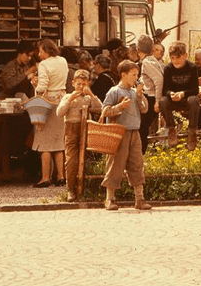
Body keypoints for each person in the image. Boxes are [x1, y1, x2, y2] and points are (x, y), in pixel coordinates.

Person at [100, 60, 151, 211]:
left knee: (136, 164)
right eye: (133, 75)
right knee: (115, 165)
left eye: (137, 75)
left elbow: (144, 109)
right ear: (124, 75)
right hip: (118, 132)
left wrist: (140, 95)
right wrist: (119, 107)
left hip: (134, 132)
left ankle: (139, 199)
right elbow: (105, 111)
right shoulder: (114, 91)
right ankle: (110, 199)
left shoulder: (135, 92)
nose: (136, 78)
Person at [0, 41, 36, 182]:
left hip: (21, 106)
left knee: (10, 141)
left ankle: (7, 173)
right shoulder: (10, 67)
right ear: (20, 53)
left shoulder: (27, 65)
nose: (30, 59)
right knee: (0, 140)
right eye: (28, 55)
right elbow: (10, 85)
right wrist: (27, 74)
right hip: (6, 107)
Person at [56, 68, 102, 202]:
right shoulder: (67, 97)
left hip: (85, 128)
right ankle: (71, 188)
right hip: (71, 128)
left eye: (84, 84)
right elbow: (59, 113)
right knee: (71, 159)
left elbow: (100, 108)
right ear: (73, 83)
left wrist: (92, 95)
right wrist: (70, 98)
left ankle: (86, 186)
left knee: (87, 157)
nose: (81, 87)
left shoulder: (88, 98)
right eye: (78, 84)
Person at [32, 38, 69, 187]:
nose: (39, 55)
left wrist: (34, 82)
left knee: (45, 143)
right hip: (61, 100)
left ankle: (45, 177)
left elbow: (42, 87)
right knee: (58, 142)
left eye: (41, 51)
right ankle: (61, 176)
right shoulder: (63, 61)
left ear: (47, 50)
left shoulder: (44, 65)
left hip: (47, 103)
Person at [158, 41, 201, 150]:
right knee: (163, 101)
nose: (175, 61)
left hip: (186, 98)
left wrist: (183, 94)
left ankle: (192, 132)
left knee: (194, 100)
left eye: (178, 57)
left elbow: (195, 90)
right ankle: (171, 129)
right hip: (173, 99)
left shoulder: (192, 67)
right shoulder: (168, 68)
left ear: (185, 56)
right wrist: (171, 93)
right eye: (172, 58)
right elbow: (165, 90)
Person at [136, 35, 164, 153]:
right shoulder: (153, 60)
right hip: (150, 96)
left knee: (141, 128)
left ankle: (140, 155)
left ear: (138, 49)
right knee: (142, 127)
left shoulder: (147, 62)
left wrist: (157, 101)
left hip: (151, 97)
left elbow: (158, 80)